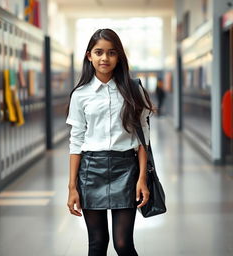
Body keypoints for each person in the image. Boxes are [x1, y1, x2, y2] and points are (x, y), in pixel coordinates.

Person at [66, 28, 154, 256]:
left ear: (119, 57)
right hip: (90, 170)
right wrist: (72, 186)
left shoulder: (134, 91)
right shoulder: (80, 95)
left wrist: (142, 178)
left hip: (125, 169)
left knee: (123, 244)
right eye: (99, 52)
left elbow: (143, 139)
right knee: (97, 244)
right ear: (89, 56)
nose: (105, 58)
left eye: (111, 52)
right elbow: (76, 141)